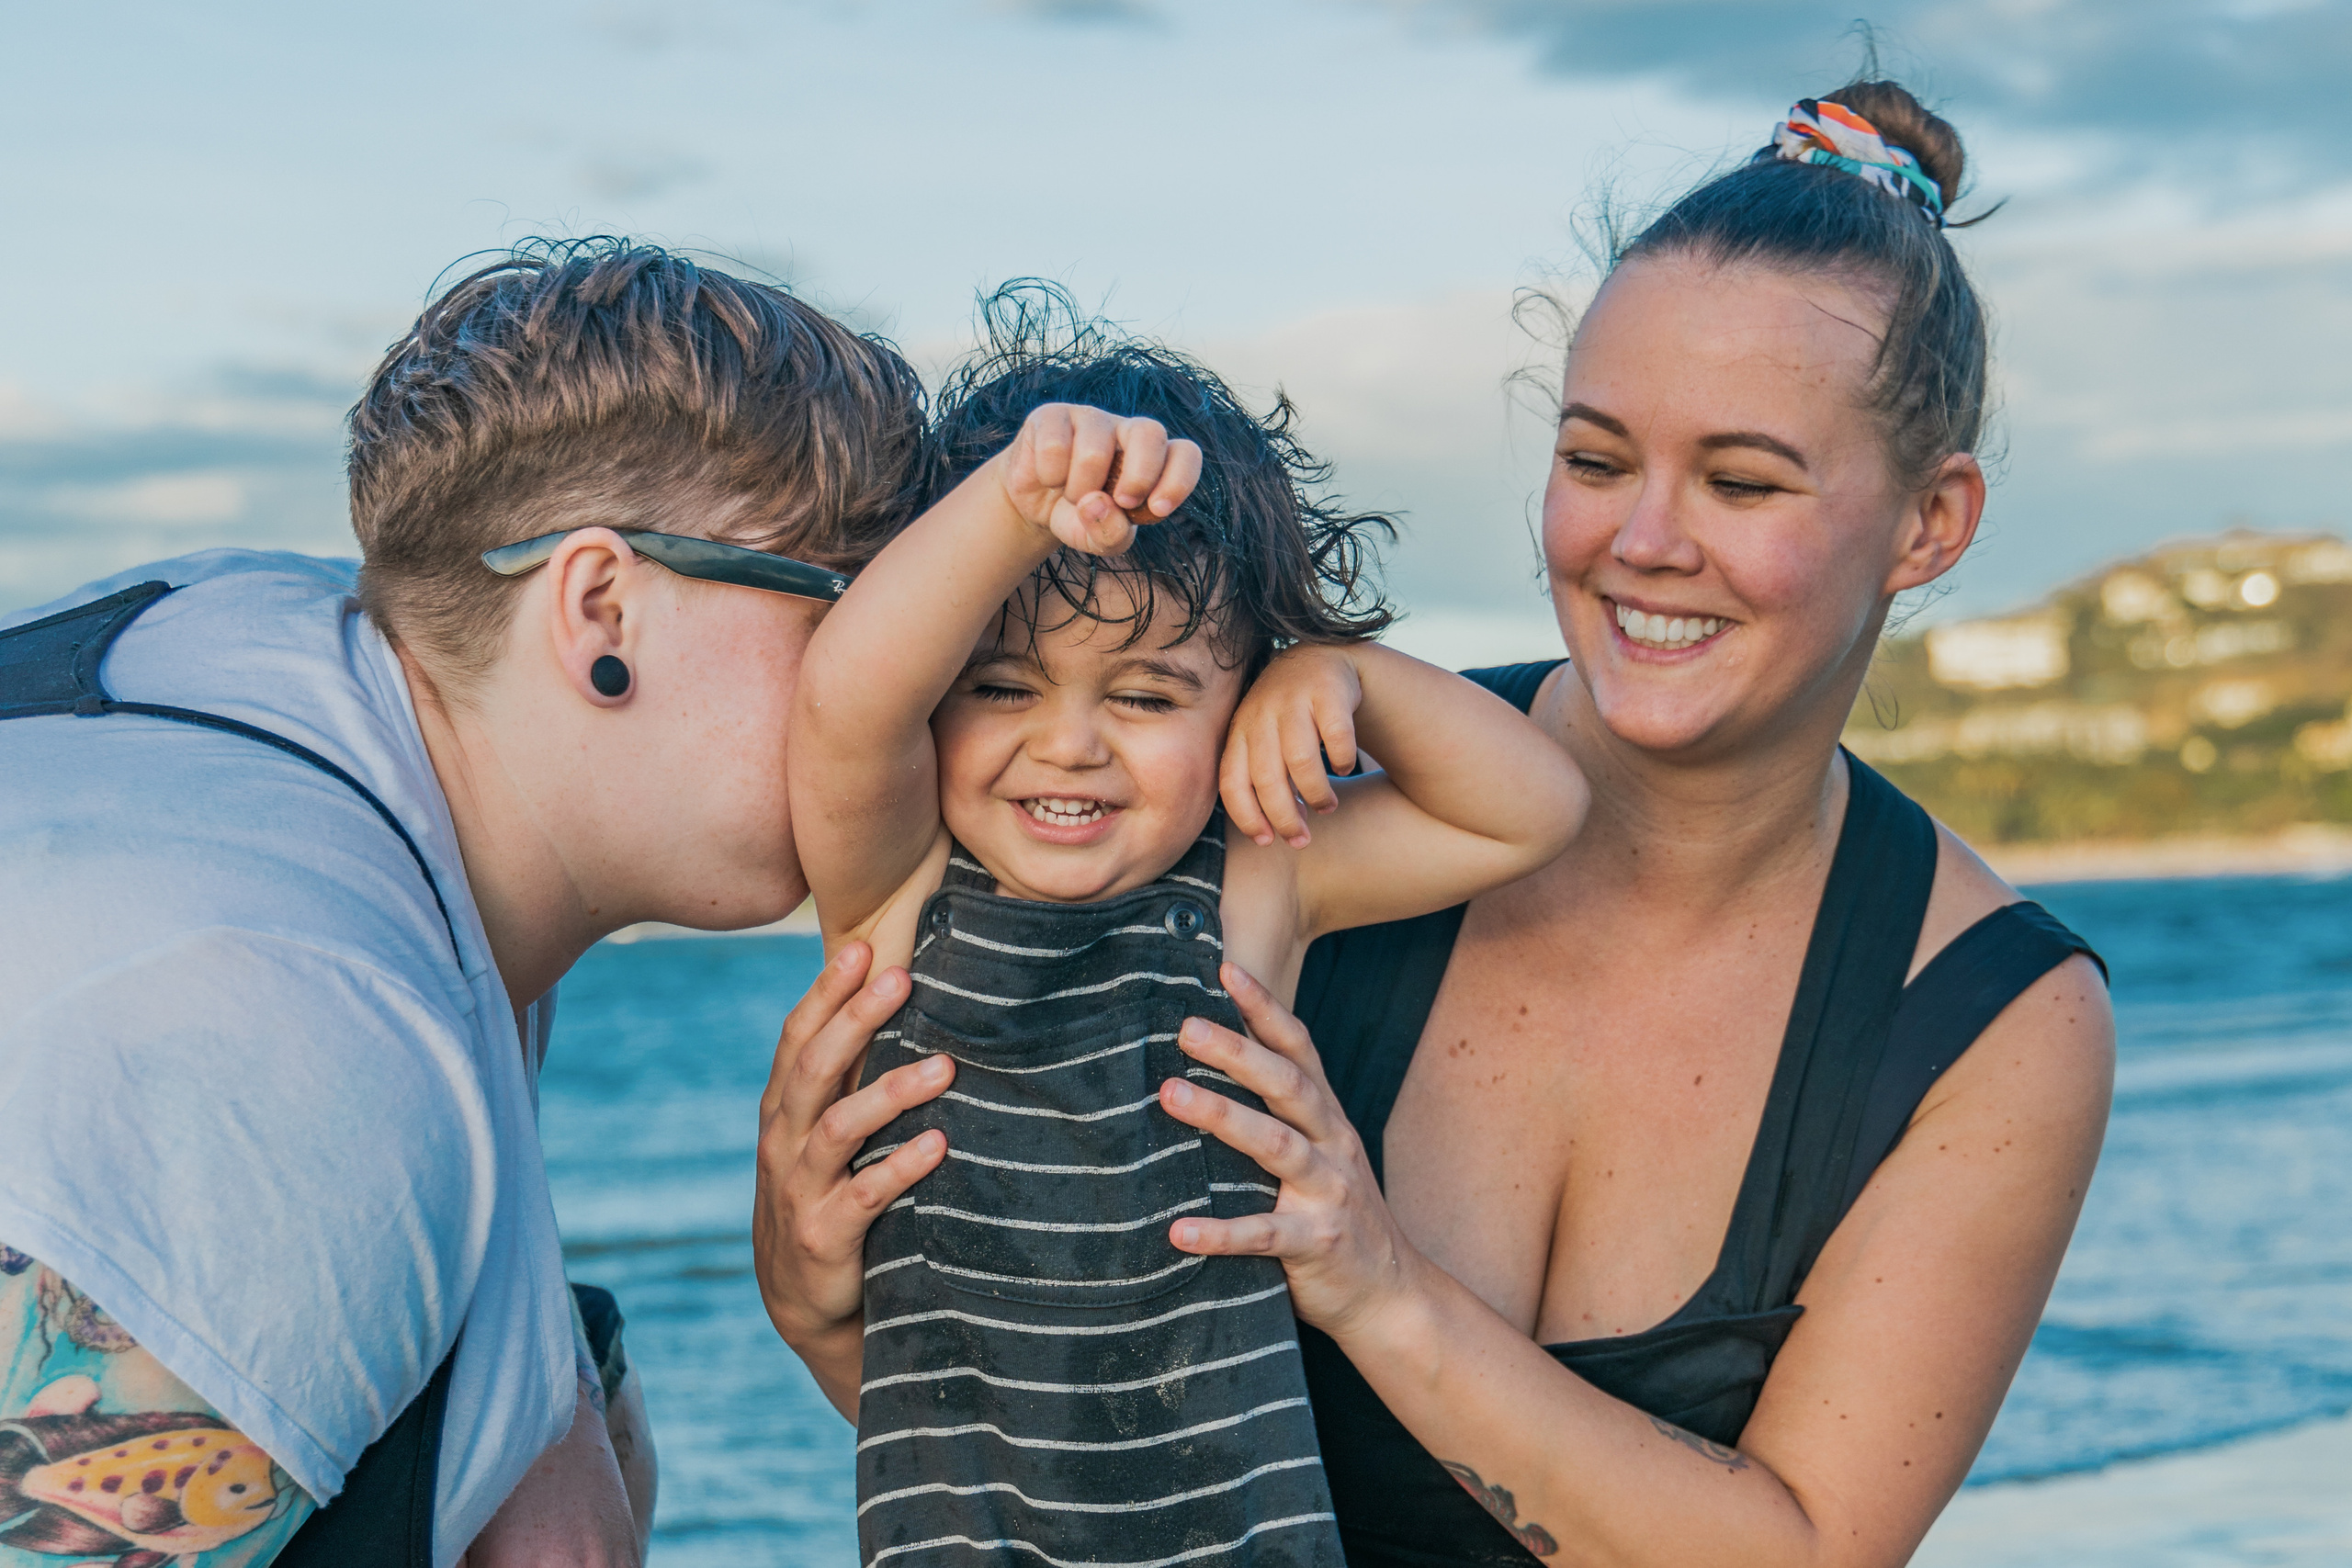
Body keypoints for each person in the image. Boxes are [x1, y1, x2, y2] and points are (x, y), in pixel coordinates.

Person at [755, 79, 2115, 1567]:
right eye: (1596, 460)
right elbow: (1051, 1403)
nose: (1643, 541)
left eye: (1740, 480)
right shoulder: (1260, 806)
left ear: (1933, 522)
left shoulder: (1999, 1018)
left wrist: (1380, 1283)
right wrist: (819, 1300)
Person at [0, 238, 931, 1568]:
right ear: (600, 605)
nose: (910, 689)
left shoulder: (244, 643)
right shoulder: (299, 1050)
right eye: (859, 614)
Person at [786, 299, 1586, 1566]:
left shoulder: (1256, 877)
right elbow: (845, 695)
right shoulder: (899, 881)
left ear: (1237, 701)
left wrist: (1343, 678)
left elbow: (1535, 809)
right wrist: (1019, 494)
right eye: (1001, 686)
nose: (1069, 743)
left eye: (1149, 693)